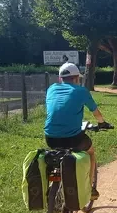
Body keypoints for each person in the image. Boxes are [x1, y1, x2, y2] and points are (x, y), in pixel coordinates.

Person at [44, 63, 111, 200]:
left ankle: (54, 187)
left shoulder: (51, 89)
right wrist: (102, 123)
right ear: (76, 79)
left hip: (50, 137)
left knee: (57, 155)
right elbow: (96, 113)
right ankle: (91, 189)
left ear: (60, 78)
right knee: (91, 152)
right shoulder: (81, 91)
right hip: (73, 138)